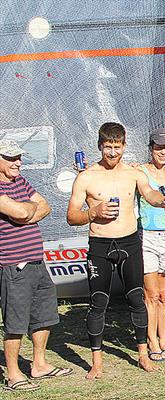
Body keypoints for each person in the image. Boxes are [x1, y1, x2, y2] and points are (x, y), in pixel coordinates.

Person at [66, 122, 165, 379]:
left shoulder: (133, 173)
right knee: (98, 303)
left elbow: (149, 194)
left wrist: (164, 202)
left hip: (128, 243)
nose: (113, 153)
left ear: (124, 146)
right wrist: (94, 212)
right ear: (99, 146)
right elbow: (71, 216)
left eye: (117, 147)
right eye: (107, 148)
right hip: (101, 245)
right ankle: (97, 361)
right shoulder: (87, 176)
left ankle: (142, 355)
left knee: (137, 299)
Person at [0, 139, 72, 392]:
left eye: (19, 157)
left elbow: (45, 207)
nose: (17, 162)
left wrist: (26, 210)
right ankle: (12, 374)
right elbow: (20, 213)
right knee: (16, 321)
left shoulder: (21, 182)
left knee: (43, 315)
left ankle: (39, 364)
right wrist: (28, 210)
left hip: (36, 261)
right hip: (13, 265)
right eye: (10, 158)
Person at [139, 129, 165, 362]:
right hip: (147, 235)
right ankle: (151, 341)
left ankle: (163, 340)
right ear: (150, 148)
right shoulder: (140, 171)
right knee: (151, 294)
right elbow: (147, 194)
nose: (163, 151)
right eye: (158, 147)